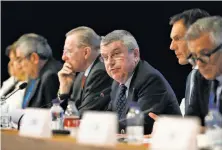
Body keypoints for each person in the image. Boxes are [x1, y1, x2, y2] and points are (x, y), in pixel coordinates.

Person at [100, 30, 181, 134]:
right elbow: (111, 116)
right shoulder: (117, 83)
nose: (110, 63)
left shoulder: (150, 79)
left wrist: (102, 127)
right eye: (105, 57)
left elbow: (141, 122)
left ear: (135, 54)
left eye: (116, 54)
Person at [58, 26, 113, 115]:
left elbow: (83, 115)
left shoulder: (100, 72)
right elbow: (69, 111)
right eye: (64, 51)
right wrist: (64, 89)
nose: (63, 57)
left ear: (86, 52)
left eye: (68, 51)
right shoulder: (81, 74)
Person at [169, 9, 210, 124]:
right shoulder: (194, 75)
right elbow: (187, 121)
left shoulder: (207, 75)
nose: (172, 46)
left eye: (177, 38)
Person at [185, 16, 222, 115]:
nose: (199, 63)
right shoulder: (199, 77)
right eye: (195, 56)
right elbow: (192, 121)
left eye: (205, 54)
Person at [14, 33, 62, 108]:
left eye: (20, 59)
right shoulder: (33, 75)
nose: (19, 65)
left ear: (34, 58)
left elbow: (55, 114)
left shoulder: (51, 76)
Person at [0, 42, 27, 111]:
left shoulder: (32, 87)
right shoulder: (9, 81)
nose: (10, 64)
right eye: (10, 59)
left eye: (13, 60)